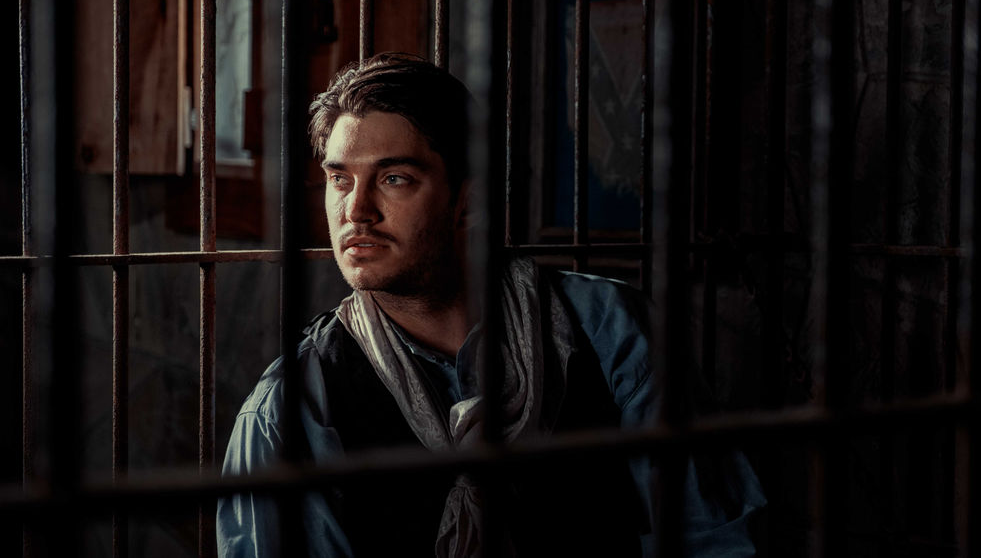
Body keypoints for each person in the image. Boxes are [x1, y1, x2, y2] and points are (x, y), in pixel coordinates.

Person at [216, 53, 765, 557]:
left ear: (467, 197)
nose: (356, 211)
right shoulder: (290, 410)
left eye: (394, 178)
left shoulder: (611, 331)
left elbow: (709, 536)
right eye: (339, 179)